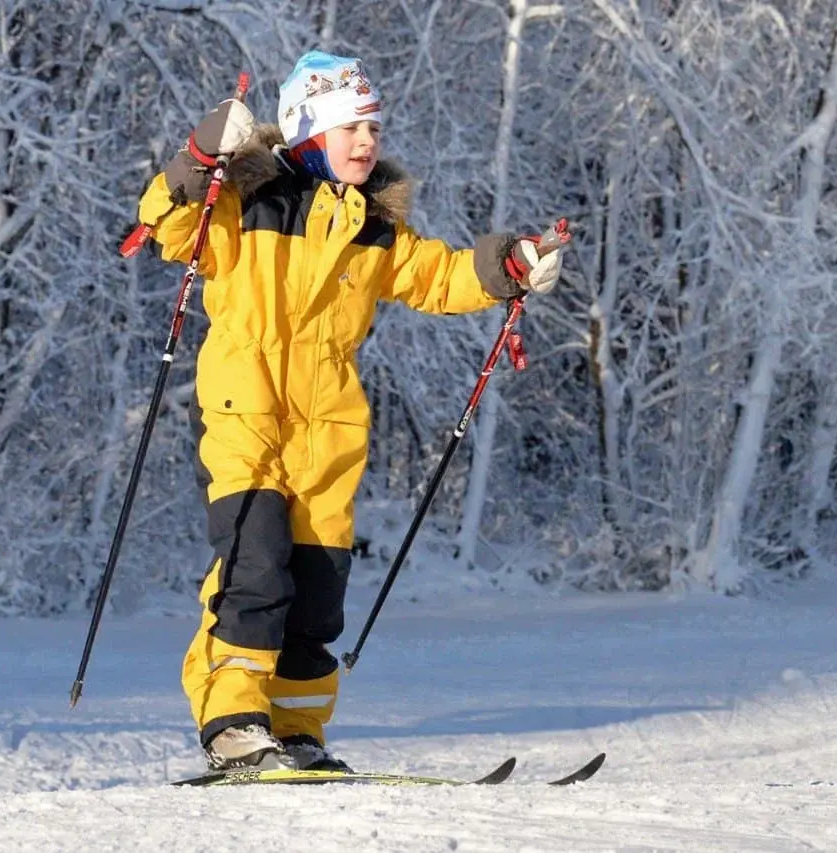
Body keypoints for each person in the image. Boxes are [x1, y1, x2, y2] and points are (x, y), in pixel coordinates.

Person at [135, 50, 566, 771]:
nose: (368, 140)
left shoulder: (373, 230)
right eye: (350, 127)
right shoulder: (247, 204)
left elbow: (440, 274)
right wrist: (199, 156)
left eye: (373, 126)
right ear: (307, 131)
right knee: (255, 566)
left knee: (317, 589)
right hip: (247, 412)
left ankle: (298, 727)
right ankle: (233, 722)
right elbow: (170, 226)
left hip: (329, 431)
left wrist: (510, 264)